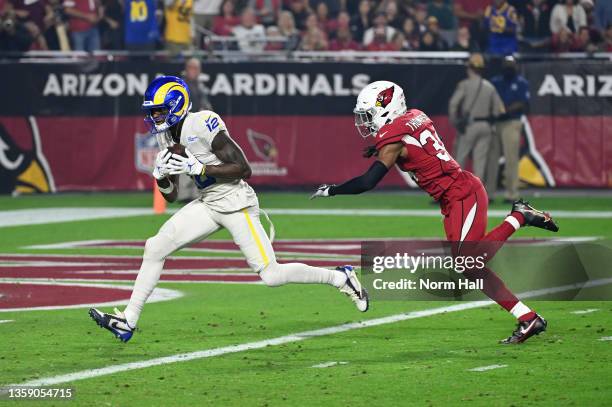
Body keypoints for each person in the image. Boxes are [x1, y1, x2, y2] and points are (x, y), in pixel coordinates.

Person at [89, 76, 368, 342]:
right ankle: (129, 319)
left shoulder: (201, 123)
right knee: (155, 247)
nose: (154, 118)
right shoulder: (166, 137)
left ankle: (340, 277)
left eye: (160, 111)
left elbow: (243, 169)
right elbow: (172, 195)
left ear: (176, 105)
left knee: (271, 275)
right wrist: (160, 176)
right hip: (208, 202)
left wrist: (199, 167)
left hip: (236, 203)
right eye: (153, 112)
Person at [311, 80, 559, 344]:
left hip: (463, 195)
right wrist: (382, 149)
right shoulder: (414, 116)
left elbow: (367, 182)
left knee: (468, 263)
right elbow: (412, 143)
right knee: (472, 267)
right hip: (453, 200)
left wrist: (333, 190)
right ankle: (528, 318)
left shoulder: (393, 137)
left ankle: (520, 216)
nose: (367, 123)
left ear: (386, 108)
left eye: (369, 114)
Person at [448, 53, 504, 198]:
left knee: (459, 160)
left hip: (469, 126)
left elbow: (453, 105)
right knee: (480, 163)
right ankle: (478, 195)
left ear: (470, 69)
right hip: (485, 126)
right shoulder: (489, 86)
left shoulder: (465, 85)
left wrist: (456, 122)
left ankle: (454, 192)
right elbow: (498, 110)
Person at [491, 56, 530, 203]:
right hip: (496, 122)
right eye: (506, 65)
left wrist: (505, 110)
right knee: (491, 159)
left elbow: (523, 103)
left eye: (511, 65)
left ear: (516, 66)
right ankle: (488, 193)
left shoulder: (521, 83)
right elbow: (491, 99)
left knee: (511, 158)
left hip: (512, 122)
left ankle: (511, 193)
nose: (508, 68)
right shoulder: (496, 82)